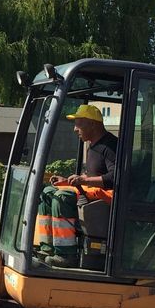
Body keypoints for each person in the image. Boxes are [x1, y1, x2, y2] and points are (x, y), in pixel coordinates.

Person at [39, 104, 118, 268]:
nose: (75, 129)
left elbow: (115, 177)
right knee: (47, 192)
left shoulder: (110, 146)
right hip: (91, 195)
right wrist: (67, 180)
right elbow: (92, 176)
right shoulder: (93, 147)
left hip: (103, 203)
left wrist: (84, 181)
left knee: (62, 197)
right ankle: (48, 247)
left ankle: (66, 254)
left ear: (92, 124)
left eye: (79, 123)